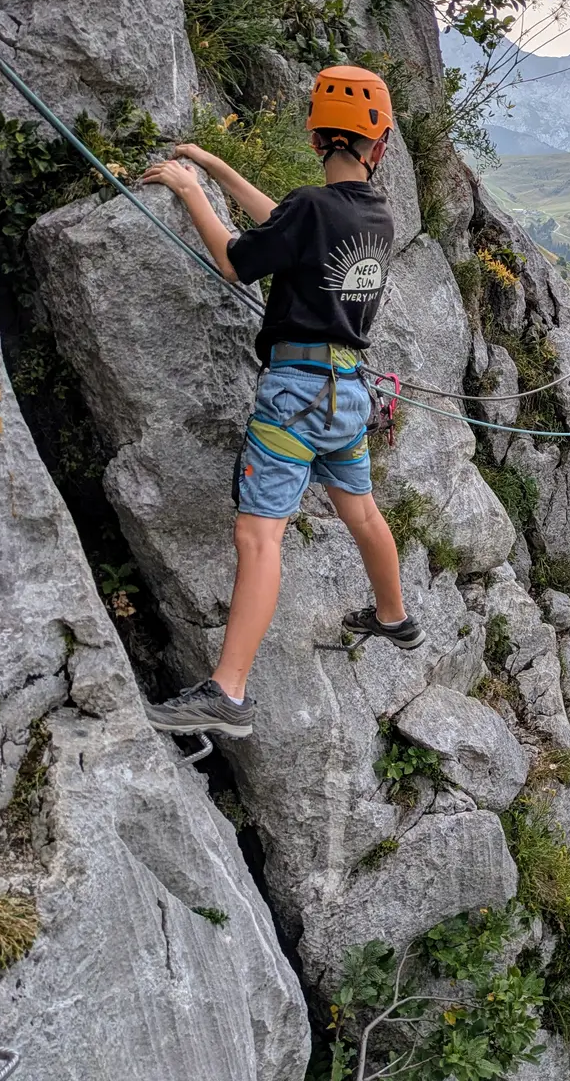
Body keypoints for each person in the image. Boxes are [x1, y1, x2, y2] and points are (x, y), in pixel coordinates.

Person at [138, 65, 424, 740]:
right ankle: (393, 614)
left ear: (315, 135)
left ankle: (227, 693)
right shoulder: (372, 216)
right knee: (359, 510)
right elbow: (286, 223)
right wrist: (216, 167)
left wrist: (189, 190)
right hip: (349, 396)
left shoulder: (312, 208)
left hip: (296, 394)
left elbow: (239, 258)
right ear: (377, 148)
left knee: (259, 535)